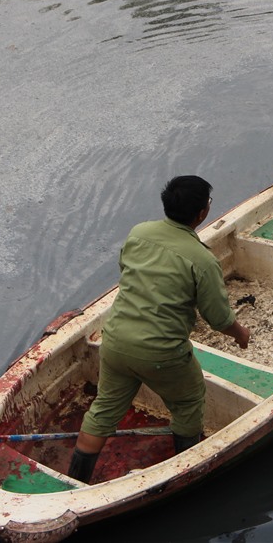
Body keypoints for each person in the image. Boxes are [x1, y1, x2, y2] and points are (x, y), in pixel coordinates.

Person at [67, 175, 250, 484]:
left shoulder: (139, 233)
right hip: (161, 352)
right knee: (189, 401)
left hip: (115, 342)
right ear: (202, 214)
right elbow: (218, 318)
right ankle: (186, 472)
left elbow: (127, 269)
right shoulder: (202, 260)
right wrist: (241, 334)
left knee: (104, 410)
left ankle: (75, 480)